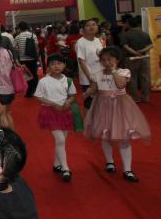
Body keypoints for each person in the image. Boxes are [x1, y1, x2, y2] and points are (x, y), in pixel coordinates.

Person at [84, 46, 151, 183]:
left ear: (117, 60)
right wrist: (88, 92)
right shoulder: (97, 73)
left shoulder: (123, 72)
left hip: (120, 107)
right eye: (103, 60)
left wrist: (114, 70)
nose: (106, 62)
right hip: (102, 106)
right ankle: (109, 161)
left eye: (110, 59)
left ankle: (127, 169)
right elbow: (94, 88)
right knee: (105, 134)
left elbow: (120, 85)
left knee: (124, 137)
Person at [34, 54, 79, 182]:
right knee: (60, 140)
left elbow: (72, 95)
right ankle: (65, 168)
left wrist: (68, 102)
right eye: (53, 64)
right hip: (50, 112)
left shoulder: (68, 80)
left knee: (62, 140)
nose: (56, 66)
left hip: (65, 112)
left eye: (59, 63)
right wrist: (53, 104)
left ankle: (56, 164)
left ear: (64, 65)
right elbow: (38, 96)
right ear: (48, 66)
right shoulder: (43, 81)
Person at [120, 15, 152, 103]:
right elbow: (151, 45)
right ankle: (145, 97)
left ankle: (135, 98)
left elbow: (125, 46)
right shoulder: (145, 33)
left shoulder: (126, 34)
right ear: (138, 24)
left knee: (132, 78)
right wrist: (142, 51)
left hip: (131, 58)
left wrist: (134, 52)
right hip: (144, 57)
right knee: (145, 78)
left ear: (129, 25)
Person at [75, 19, 103, 109]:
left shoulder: (98, 40)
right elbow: (81, 61)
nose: (92, 27)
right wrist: (90, 78)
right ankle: (88, 123)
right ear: (83, 29)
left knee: (101, 102)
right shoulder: (80, 42)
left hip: (100, 75)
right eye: (88, 25)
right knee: (90, 103)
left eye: (94, 24)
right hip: (88, 77)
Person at [14, 21, 39, 97]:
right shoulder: (33, 35)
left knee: (27, 76)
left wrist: (21, 50)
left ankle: (29, 92)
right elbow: (36, 47)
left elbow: (14, 47)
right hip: (32, 58)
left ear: (19, 28)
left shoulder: (18, 37)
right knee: (34, 74)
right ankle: (36, 90)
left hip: (23, 59)